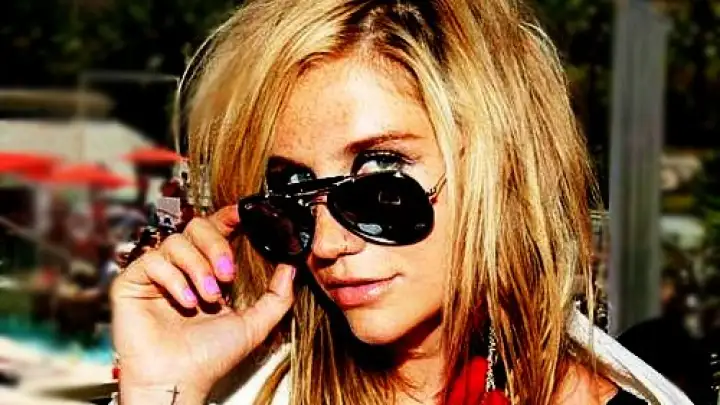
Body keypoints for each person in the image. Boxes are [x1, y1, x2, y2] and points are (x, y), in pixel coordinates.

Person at [110, 0, 693, 404]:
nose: (327, 243)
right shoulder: (258, 391)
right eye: (294, 188)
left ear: (500, 169)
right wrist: (163, 391)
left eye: (381, 176)